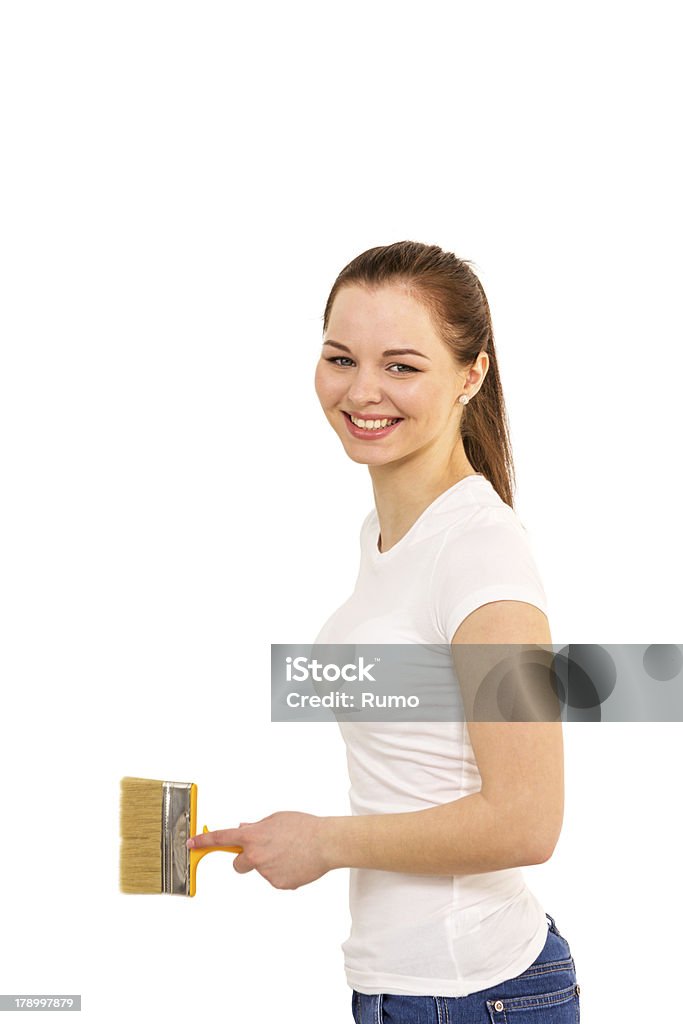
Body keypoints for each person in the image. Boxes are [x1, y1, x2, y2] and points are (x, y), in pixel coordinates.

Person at [187, 241, 581, 1023]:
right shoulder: (387, 532)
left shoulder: (478, 552)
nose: (362, 390)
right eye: (341, 358)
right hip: (403, 985)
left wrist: (325, 842)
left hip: (475, 992)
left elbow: (527, 820)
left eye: (401, 366)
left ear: (472, 375)